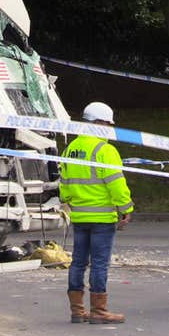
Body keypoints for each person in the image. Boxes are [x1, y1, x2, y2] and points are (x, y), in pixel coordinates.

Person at [60, 101, 134, 324]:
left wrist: (69, 202)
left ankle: (77, 311)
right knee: (100, 264)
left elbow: (64, 183)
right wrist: (126, 208)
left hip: (80, 216)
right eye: (109, 125)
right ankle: (99, 312)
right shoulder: (105, 150)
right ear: (99, 123)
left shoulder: (70, 148)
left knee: (78, 263)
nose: (110, 130)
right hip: (102, 218)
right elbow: (116, 183)